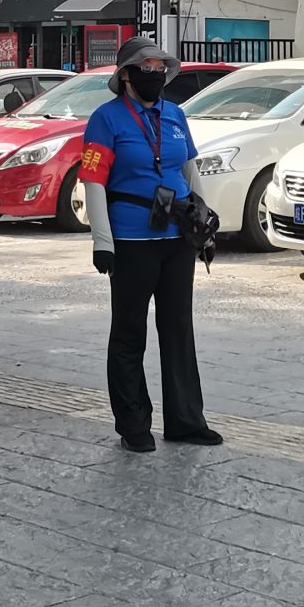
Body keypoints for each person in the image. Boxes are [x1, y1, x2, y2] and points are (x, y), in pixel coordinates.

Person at [78, 37, 223, 453]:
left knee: (178, 328)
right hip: (131, 239)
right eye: (147, 67)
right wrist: (102, 241)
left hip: (177, 237)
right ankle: (133, 424)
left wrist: (204, 224)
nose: (155, 74)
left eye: (161, 68)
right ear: (126, 74)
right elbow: (93, 181)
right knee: (129, 331)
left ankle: (186, 420)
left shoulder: (175, 114)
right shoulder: (105, 120)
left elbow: (189, 170)